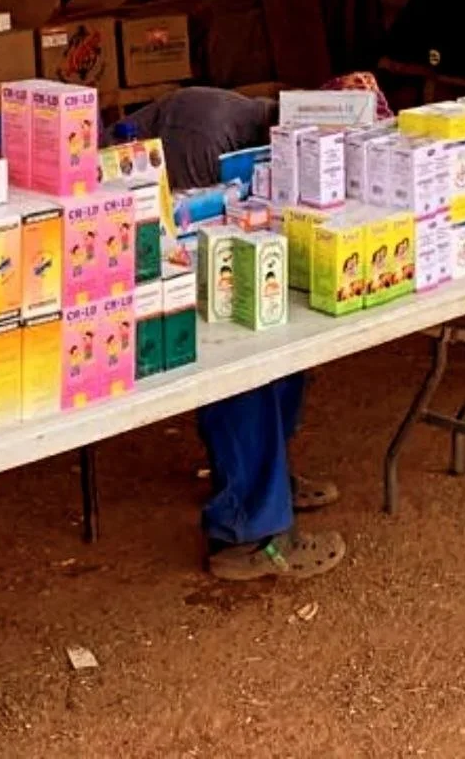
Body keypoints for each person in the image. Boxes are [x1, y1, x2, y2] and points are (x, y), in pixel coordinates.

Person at [131, 86, 347, 580]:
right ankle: (248, 532)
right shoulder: (204, 137)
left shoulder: (263, 140)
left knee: (284, 341)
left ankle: (263, 481)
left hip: (203, 262)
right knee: (236, 361)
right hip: (146, 268)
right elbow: (188, 246)